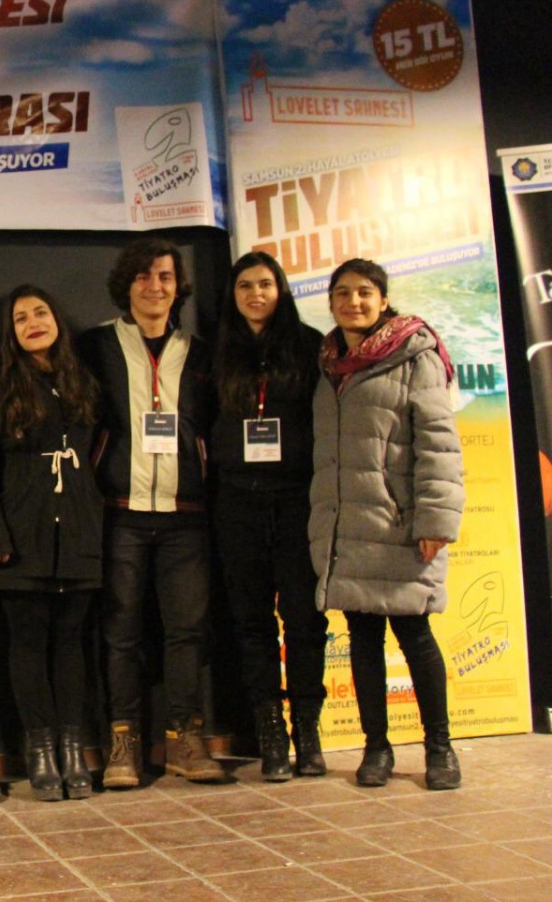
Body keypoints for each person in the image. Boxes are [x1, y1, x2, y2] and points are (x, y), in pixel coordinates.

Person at [309, 258, 464, 790]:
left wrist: (434, 519)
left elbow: (439, 443)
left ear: (382, 299)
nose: (353, 302)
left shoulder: (415, 354)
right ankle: (377, 748)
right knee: (363, 639)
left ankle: (440, 748)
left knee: (415, 634)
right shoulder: (328, 362)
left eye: (364, 292)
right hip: (347, 527)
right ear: (331, 301)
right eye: (343, 293)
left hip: (397, 524)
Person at [79, 237, 226, 787]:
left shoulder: (201, 353)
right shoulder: (95, 346)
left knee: (187, 632)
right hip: (120, 512)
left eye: (164, 276)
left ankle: (186, 737)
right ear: (127, 284)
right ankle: (124, 742)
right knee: (121, 633)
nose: (154, 286)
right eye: (143, 276)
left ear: (178, 286)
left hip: (186, 514)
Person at [0, 285, 105, 801]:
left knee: (71, 642)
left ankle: (73, 749)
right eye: (21, 318)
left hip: (77, 531)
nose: (33, 323)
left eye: (41, 313)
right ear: (10, 332)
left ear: (57, 319)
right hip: (20, 535)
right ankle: (41, 750)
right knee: (27, 643)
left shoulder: (80, 377)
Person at [210, 252, 328, 780]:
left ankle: (309, 731)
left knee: (304, 620)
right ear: (232, 294)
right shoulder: (218, 349)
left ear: (280, 289)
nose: (255, 294)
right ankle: (271, 734)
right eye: (244, 286)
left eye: (264, 284)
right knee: (251, 623)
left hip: (297, 499)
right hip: (237, 503)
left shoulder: (310, 346)